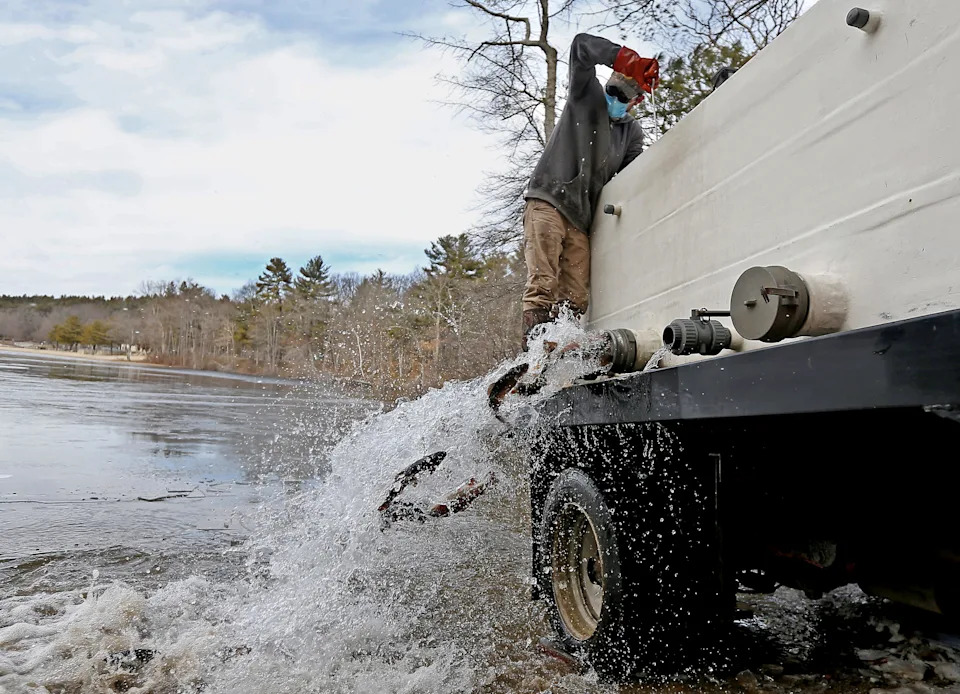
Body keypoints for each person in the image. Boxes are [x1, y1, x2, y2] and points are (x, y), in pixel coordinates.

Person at [521, 33, 659, 350]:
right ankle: (530, 359)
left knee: (577, 296)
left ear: (636, 101)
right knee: (543, 282)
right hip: (548, 201)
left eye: (623, 95)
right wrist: (625, 59)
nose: (614, 98)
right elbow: (582, 46)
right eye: (612, 90)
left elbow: (631, 176)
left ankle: (559, 353)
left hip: (580, 219)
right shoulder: (585, 96)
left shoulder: (632, 133)